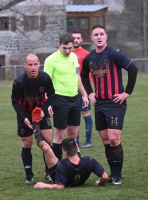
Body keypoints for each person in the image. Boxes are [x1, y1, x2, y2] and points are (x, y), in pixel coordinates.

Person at [81, 25, 138, 185]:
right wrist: (90, 92)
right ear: (92, 38)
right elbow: (84, 76)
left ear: (106, 36)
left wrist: (127, 92)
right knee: (106, 140)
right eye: (95, 35)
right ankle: (112, 174)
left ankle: (118, 175)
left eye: (101, 34)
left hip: (115, 103)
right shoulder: (89, 58)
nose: (99, 37)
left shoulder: (113, 53)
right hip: (99, 104)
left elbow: (133, 69)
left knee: (114, 139)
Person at [31, 107, 108, 189]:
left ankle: (35, 123)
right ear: (76, 149)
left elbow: (60, 186)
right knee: (73, 140)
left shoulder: (61, 165)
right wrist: (100, 183)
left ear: (65, 153)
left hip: (59, 173)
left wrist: (44, 185)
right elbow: (105, 177)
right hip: (78, 168)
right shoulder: (89, 161)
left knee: (45, 147)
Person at [11, 54, 55, 185]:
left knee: (47, 141)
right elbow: (14, 102)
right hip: (25, 113)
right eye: (30, 64)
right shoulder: (19, 81)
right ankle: (29, 175)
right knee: (27, 143)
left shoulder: (45, 78)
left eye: (35, 64)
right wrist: (23, 117)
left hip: (41, 111)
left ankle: (50, 173)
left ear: (39, 64)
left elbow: (52, 96)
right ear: (25, 65)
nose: (33, 67)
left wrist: (44, 109)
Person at [44, 33, 89, 161]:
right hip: (59, 99)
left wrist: (84, 94)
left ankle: (76, 165)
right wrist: (48, 103)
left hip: (75, 99)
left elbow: (77, 77)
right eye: (65, 48)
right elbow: (46, 82)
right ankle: (56, 167)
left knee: (73, 135)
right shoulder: (50, 60)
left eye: (70, 48)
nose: (68, 51)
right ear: (59, 45)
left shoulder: (74, 57)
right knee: (59, 136)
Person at [72, 30, 93, 148]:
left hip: (82, 89)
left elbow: (90, 72)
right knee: (74, 115)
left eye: (78, 38)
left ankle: (88, 141)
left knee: (85, 113)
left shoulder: (86, 54)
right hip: (70, 90)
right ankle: (76, 142)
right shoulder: (67, 53)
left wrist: (86, 89)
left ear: (81, 40)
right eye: (74, 38)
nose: (76, 40)